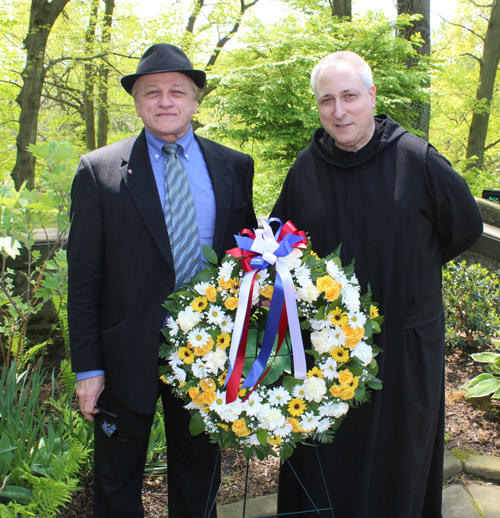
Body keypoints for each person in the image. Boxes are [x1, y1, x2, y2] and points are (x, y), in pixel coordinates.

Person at [271, 51, 483, 518]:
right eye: (327, 100)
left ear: (371, 96)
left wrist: (411, 273)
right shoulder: (306, 169)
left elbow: (464, 227)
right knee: (327, 460)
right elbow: (283, 247)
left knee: (398, 462)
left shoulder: (417, 160)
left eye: (349, 96)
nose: (339, 111)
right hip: (327, 350)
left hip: (404, 344)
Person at [67, 43, 257, 518]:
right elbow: (84, 279)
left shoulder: (234, 166)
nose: (165, 101)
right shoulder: (99, 171)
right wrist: (88, 369)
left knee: (199, 480)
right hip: (124, 355)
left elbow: (245, 261)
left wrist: (249, 349)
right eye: (152, 91)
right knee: (116, 483)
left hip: (207, 355)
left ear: (195, 101)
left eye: (178, 91)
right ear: (137, 102)